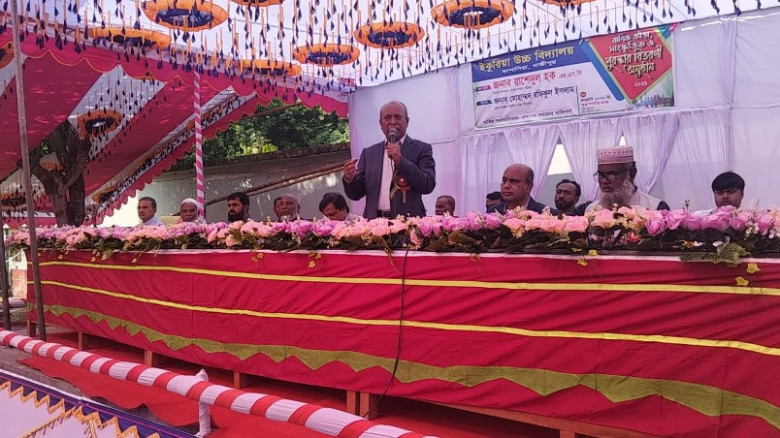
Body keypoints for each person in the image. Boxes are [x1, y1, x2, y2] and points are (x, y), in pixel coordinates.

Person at [343, 101, 436, 219]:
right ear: (381, 124)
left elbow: (427, 185)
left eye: (398, 117)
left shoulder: (421, 149)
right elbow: (356, 194)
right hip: (375, 223)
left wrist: (401, 161)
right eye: (387, 118)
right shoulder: (369, 153)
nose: (392, 122)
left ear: (407, 121)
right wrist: (349, 179)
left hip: (408, 223)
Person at [586, 146, 669, 212]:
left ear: (632, 173)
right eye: (601, 175)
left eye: (611, 175)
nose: (604, 181)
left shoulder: (655, 208)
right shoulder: (591, 210)